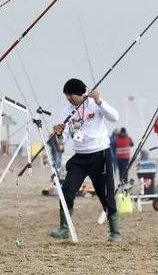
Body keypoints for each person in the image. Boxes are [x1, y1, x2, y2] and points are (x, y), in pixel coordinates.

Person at [50, 78, 122, 242]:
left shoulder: (94, 103)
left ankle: (115, 231)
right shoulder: (66, 111)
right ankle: (64, 227)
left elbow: (114, 117)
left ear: (81, 94)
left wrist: (100, 101)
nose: (69, 98)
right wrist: (59, 133)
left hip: (100, 153)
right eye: (66, 95)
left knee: (105, 194)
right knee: (67, 190)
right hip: (79, 157)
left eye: (71, 95)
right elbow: (65, 137)